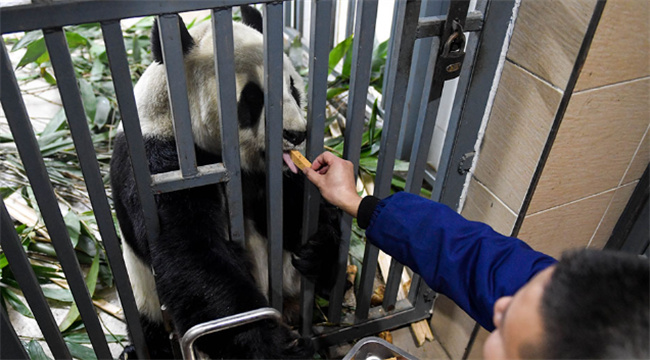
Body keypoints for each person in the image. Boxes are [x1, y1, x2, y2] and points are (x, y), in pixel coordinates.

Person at [302, 151, 649, 359]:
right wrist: (360, 204)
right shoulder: (569, 306)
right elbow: (479, 260)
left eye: (506, 327)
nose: (501, 305)